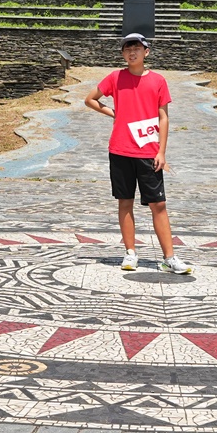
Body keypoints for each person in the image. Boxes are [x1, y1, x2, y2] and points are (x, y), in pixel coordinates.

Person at [85, 33, 192, 275]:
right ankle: (130, 253)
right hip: (120, 149)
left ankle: (169, 257)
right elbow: (90, 99)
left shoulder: (158, 81)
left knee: (159, 204)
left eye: (137, 48)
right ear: (123, 54)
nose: (132, 52)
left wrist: (162, 152)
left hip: (148, 152)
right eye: (127, 48)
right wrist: (115, 113)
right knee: (125, 201)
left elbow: (163, 116)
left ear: (146, 52)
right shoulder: (115, 77)